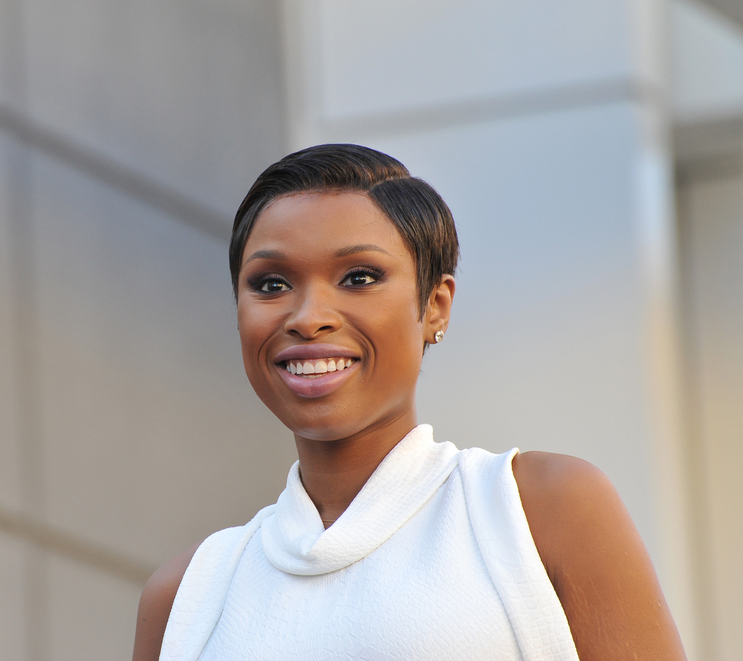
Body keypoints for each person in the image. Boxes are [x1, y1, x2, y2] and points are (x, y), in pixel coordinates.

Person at [132, 144, 686, 661]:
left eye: (359, 277)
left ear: (435, 305)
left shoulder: (537, 511)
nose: (308, 317)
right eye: (272, 284)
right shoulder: (188, 596)